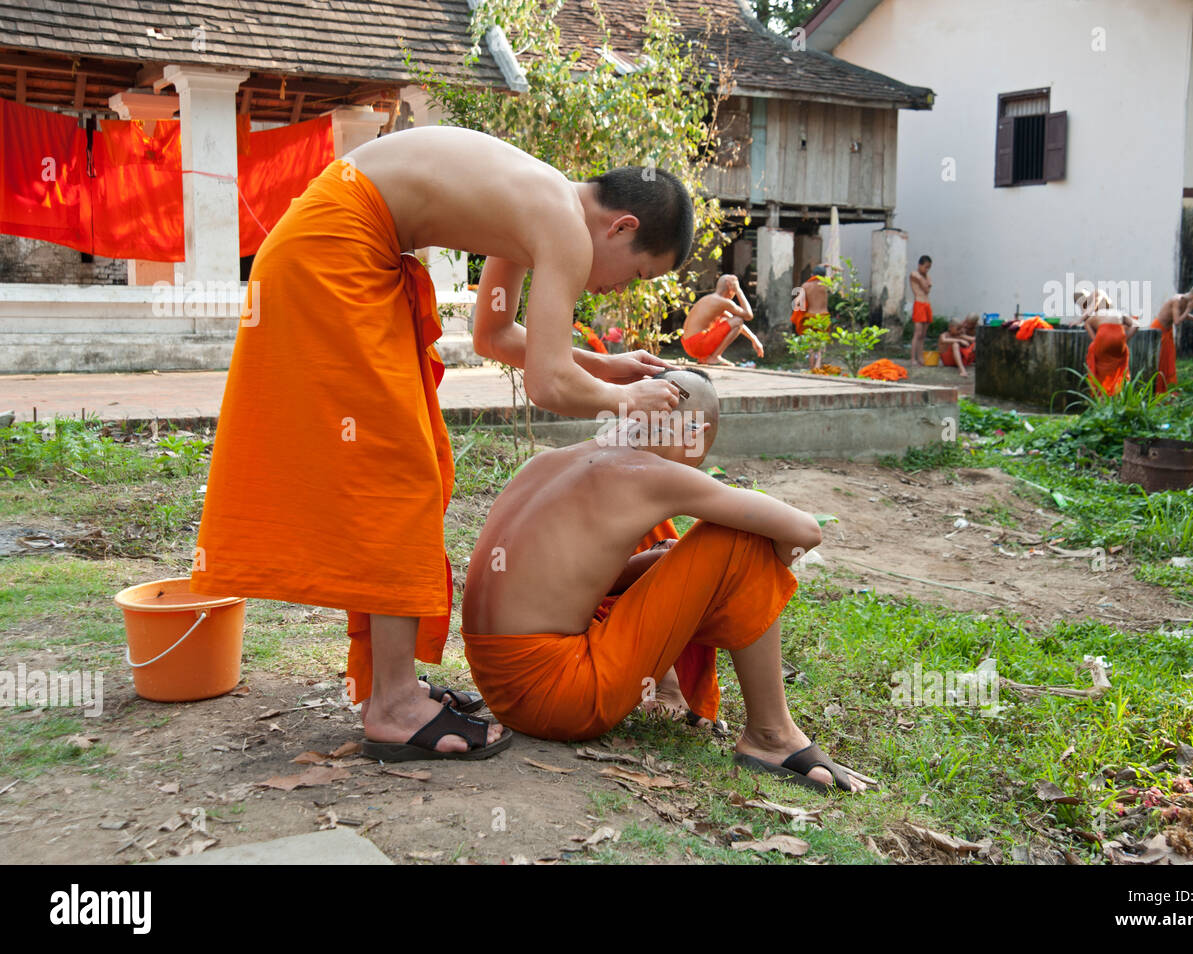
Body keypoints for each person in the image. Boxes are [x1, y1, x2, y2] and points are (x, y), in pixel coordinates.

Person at [190, 126, 695, 761]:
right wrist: (626, 398)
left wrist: (608, 367)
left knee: (403, 465)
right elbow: (545, 381)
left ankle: (388, 688)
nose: (616, 291)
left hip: (329, 242)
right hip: (335, 250)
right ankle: (395, 705)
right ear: (621, 228)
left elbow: (494, 335)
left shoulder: (543, 207)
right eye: (637, 274)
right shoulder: (563, 225)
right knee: (395, 473)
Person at [460, 368, 871, 792]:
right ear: (700, 431)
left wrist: (656, 567)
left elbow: (563, 580)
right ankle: (772, 736)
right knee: (742, 537)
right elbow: (805, 532)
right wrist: (755, 570)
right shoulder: (648, 475)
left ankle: (669, 689)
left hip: (499, 688)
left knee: (658, 537)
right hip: (561, 698)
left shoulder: (547, 462)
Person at [680, 274, 763, 365]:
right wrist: (738, 290)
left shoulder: (709, 299)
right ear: (730, 287)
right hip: (697, 345)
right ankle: (714, 357)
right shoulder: (723, 302)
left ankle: (705, 357)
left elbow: (733, 322)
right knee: (738, 320)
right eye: (734, 290)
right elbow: (748, 315)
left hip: (688, 344)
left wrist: (754, 339)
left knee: (727, 320)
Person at [1151, 283, 1193, 394]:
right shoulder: (1177, 300)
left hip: (1167, 331)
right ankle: (1158, 392)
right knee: (1161, 363)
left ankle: (1168, 391)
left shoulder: (1185, 301)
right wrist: (1189, 308)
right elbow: (1177, 321)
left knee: (1169, 361)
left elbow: (1185, 316)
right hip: (1159, 331)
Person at [1084, 310, 1138, 397]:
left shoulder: (1097, 314)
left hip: (1103, 336)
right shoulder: (1120, 313)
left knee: (1100, 367)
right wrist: (1126, 339)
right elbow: (1136, 325)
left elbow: (1086, 324)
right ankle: (1117, 396)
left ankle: (1100, 397)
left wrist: (1095, 339)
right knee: (1117, 369)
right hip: (1119, 338)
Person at [791, 266, 831, 370]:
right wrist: (829, 267)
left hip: (810, 317)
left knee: (811, 344)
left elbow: (796, 302)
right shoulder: (826, 284)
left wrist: (802, 310)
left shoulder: (806, 285)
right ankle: (818, 365)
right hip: (823, 316)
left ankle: (812, 367)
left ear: (812, 275)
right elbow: (835, 275)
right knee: (821, 343)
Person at [909, 255, 933, 366]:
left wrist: (925, 277)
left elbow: (928, 290)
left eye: (929, 268)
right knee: (917, 333)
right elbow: (924, 287)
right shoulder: (914, 274)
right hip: (919, 303)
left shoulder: (926, 276)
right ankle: (913, 358)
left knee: (923, 334)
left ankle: (920, 357)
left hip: (926, 304)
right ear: (920, 265)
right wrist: (924, 279)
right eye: (926, 267)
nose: (927, 270)